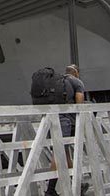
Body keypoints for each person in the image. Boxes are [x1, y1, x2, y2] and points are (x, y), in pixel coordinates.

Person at [45, 64, 88, 196]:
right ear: (76, 73)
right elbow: (79, 104)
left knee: (65, 153)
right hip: (64, 122)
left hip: (49, 119)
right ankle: (50, 190)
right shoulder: (77, 82)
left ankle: (77, 184)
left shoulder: (57, 81)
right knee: (58, 155)